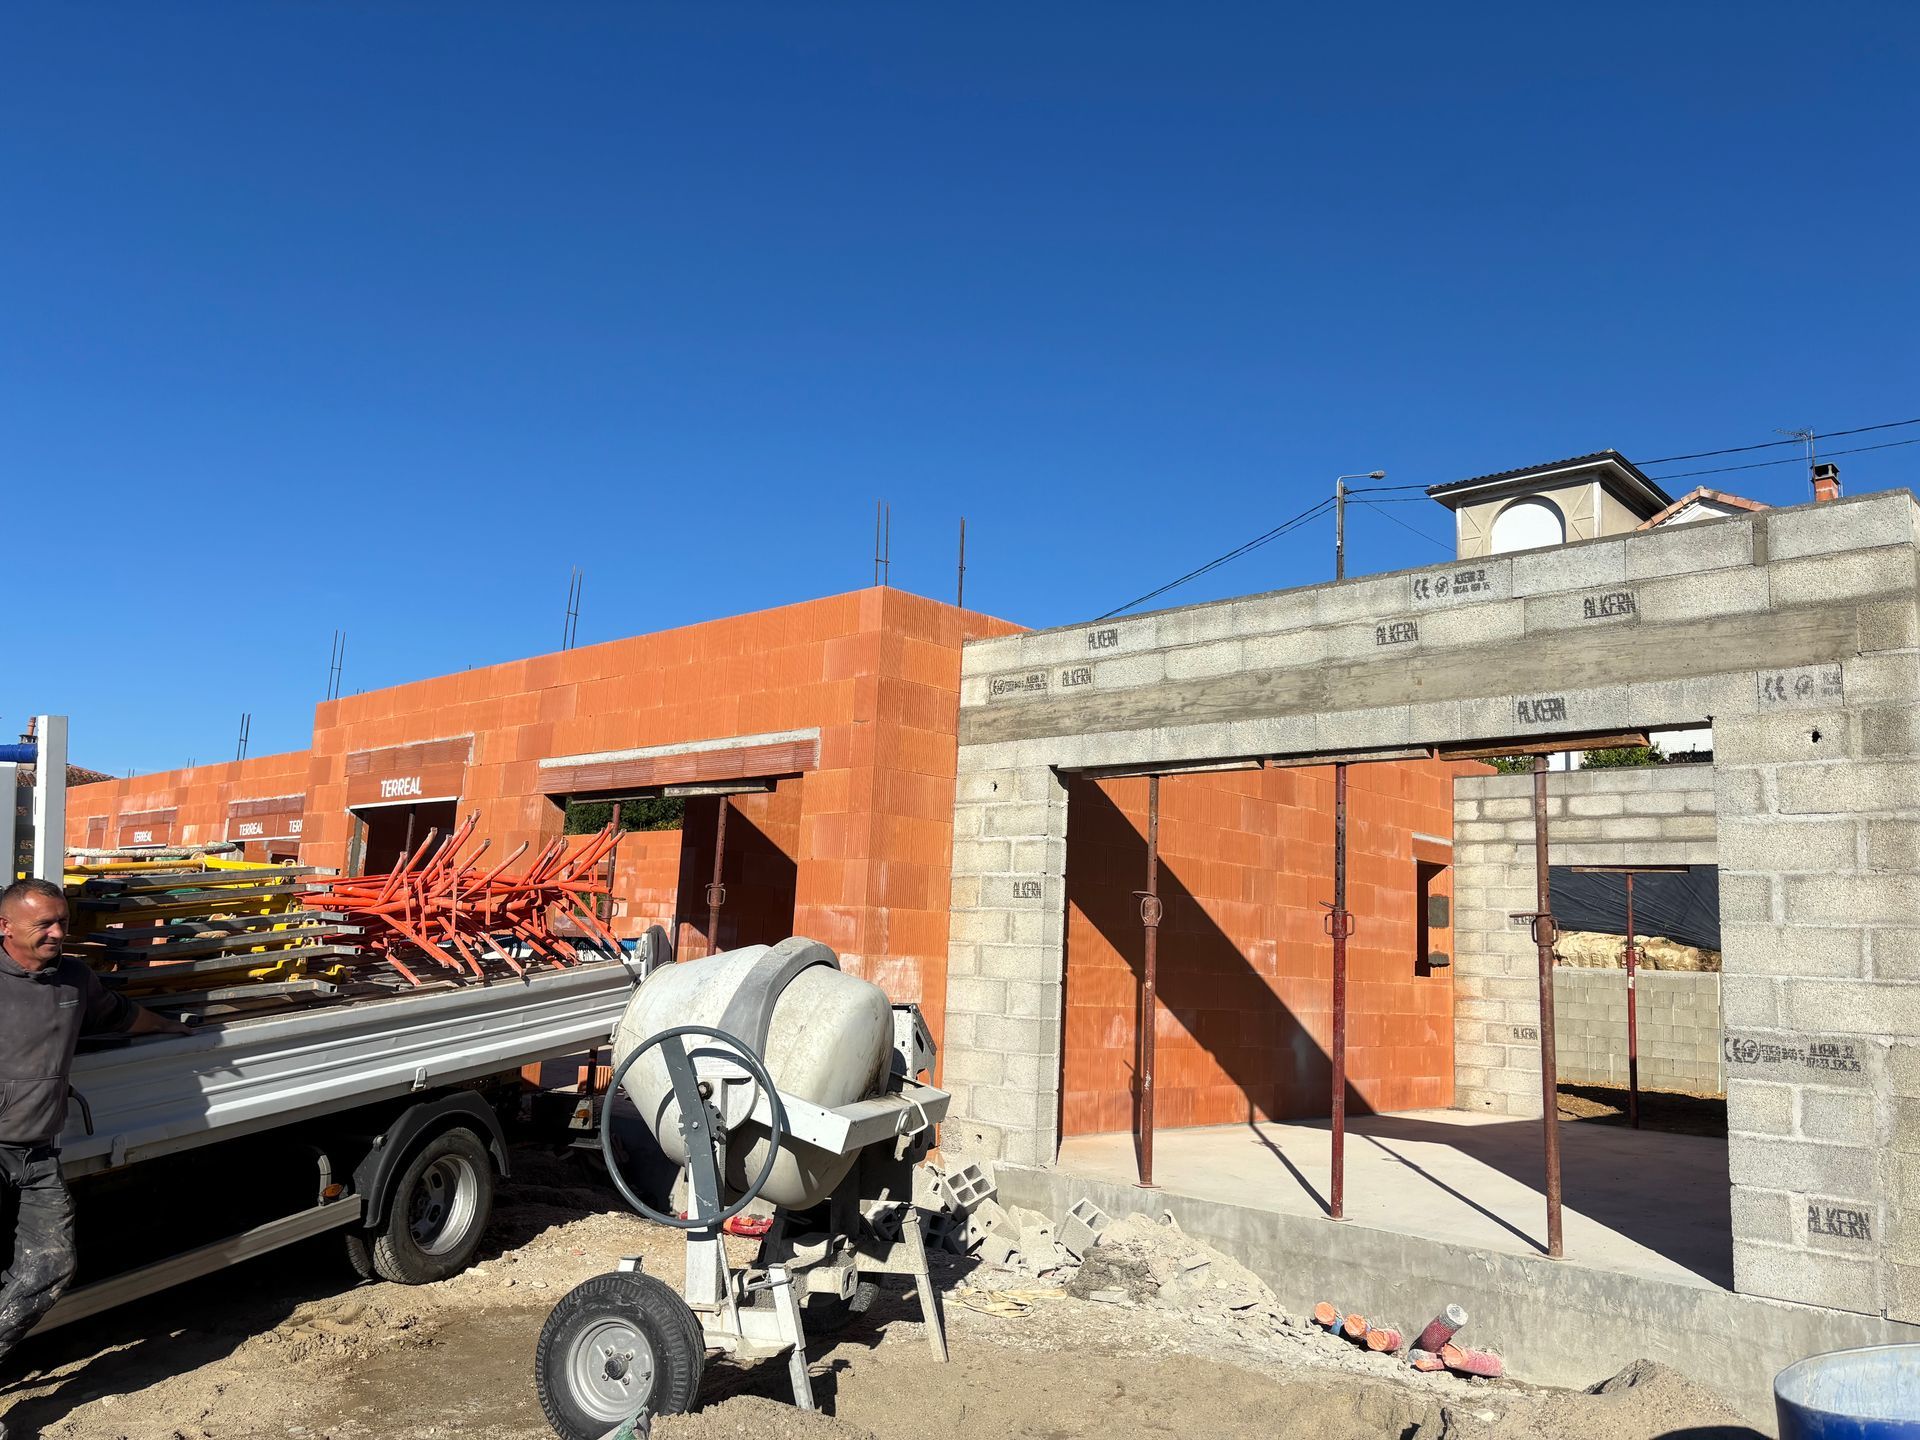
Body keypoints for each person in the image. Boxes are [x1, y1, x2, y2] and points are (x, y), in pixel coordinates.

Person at [0, 877, 191, 1407]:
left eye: (63, 921)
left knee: (51, 1264)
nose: (59, 933)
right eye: (45, 924)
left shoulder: (74, 979)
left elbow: (121, 1015)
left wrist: (170, 1028)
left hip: (37, 1154)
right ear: (6, 927)